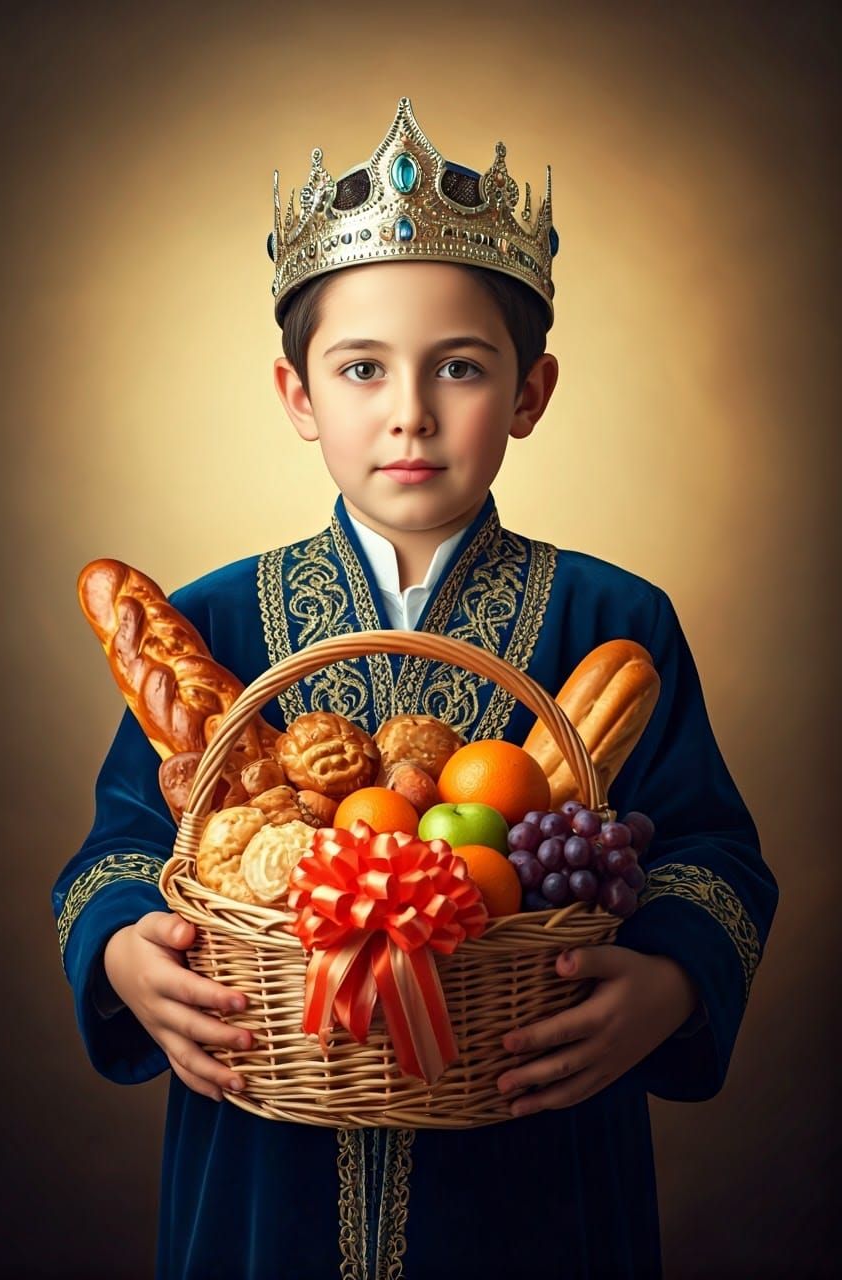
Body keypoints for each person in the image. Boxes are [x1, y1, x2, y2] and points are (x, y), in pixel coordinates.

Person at [53, 98, 778, 1279]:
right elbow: (124, 843)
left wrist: (667, 979)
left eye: (459, 367)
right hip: (266, 1149)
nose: (409, 410)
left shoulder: (616, 619)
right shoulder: (212, 621)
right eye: (359, 367)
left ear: (530, 392)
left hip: (530, 1135)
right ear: (297, 395)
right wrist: (124, 947)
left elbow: (708, 849)